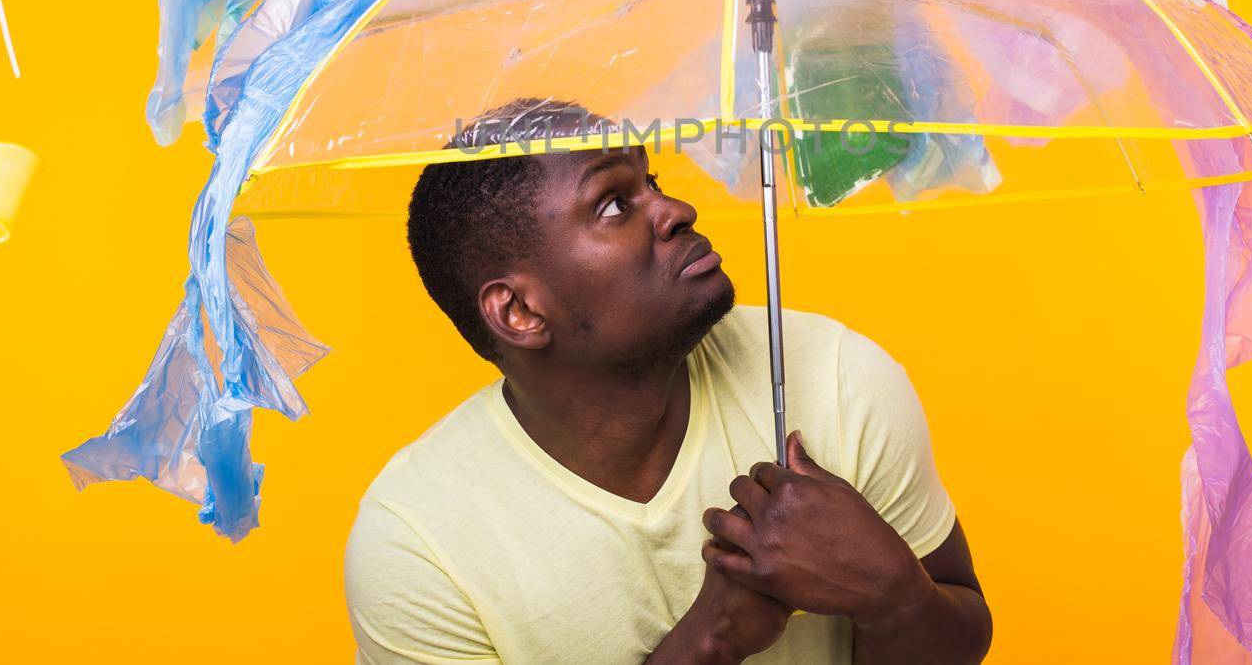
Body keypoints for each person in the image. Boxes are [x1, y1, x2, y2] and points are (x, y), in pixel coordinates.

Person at [345, 99, 992, 664]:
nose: (677, 209)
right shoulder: (416, 541)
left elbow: (962, 631)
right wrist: (712, 639)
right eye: (615, 203)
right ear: (520, 311)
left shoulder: (835, 376)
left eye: (652, 181)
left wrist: (894, 595)